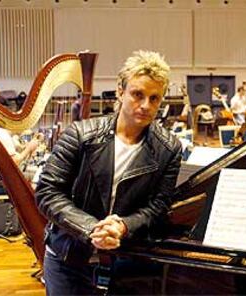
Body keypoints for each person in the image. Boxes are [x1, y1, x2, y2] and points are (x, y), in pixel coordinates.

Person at [35, 50, 182, 295]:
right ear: (120, 91)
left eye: (154, 98)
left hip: (125, 260)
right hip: (68, 257)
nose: (146, 105)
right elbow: (47, 192)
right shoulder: (80, 134)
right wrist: (92, 228)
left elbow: (158, 206)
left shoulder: (169, 149)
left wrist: (123, 226)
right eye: (138, 94)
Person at [0, 125, 39, 195]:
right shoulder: (3, 135)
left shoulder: (3, 134)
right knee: (35, 188)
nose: (24, 130)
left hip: (0, 180)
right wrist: (29, 148)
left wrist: (28, 149)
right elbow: (14, 162)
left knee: (34, 180)